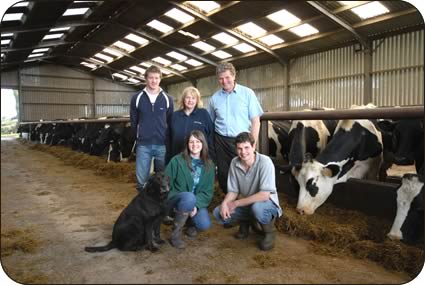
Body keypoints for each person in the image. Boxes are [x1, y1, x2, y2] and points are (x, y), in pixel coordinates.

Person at [213, 132, 282, 251]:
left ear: (254, 147)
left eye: (246, 148)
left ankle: (269, 232)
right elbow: (233, 191)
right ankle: (246, 222)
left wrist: (236, 204)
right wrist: (225, 203)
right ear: (236, 149)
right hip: (246, 203)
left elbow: (264, 195)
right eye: (239, 148)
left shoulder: (265, 162)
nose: (243, 152)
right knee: (218, 212)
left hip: (266, 204)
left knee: (257, 208)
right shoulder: (234, 163)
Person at [208, 62, 263, 194]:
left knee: (245, 169)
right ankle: (228, 199)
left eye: (227, 77)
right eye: (221, 78)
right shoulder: (214, 98)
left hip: (242, 140)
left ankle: (245, 199)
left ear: (234, 76)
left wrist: (252, 144)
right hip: (220, 140)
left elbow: (256, 121)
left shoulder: (247, 93)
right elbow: (211, 121)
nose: (224, 81)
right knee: (223, 172)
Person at [165, 130, 215, 249]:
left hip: (194, 203)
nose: (194, 144)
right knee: (188, 197)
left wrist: (196, 205)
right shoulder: (177, 160)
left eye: (198, 141)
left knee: (204, 224)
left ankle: (190, 223)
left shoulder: (209, 165)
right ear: (187, 144)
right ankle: (175, 235)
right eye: (191, 142)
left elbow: (207, 192)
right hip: (177, 200)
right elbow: (166, 183)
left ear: (203, 144)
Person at [130, 65, 174, 191]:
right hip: (143, 145)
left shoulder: (167, 99)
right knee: (141, 181)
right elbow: (134, 121)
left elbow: (170, 122)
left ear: (160, 79)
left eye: (156, 78)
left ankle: (162, 206)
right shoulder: (136, 98)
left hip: (162, 145)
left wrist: (168, 142)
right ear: (146, 79)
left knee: (164, 179)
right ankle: (142, 207)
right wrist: (138, 139)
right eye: (151, 78)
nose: (154, 81)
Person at [167, 86, 215, 164]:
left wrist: (212, 158)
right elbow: (168, 139)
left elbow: (211, 136)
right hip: (178, 157)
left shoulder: (203, 114)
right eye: (188, 98)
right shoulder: (174, 116)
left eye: (193, 98)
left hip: (200, 158)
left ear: (197, 100)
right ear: (183, 99)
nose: (190, 100)